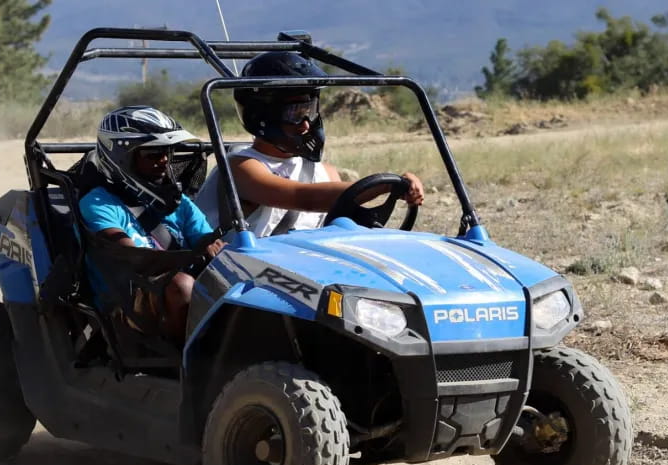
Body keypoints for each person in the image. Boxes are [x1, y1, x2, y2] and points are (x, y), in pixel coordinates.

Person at [195, 51, 424, 237]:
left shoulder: (325, 173)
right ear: (262, 115)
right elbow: (303, 197)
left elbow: (342, 222)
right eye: (294, 113)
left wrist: (401, 185)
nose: (306, 124)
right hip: (239, 272)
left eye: (310, 110)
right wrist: (385, 185)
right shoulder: (240, 168)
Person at [80, 106, 224, 343]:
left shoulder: (176, 201)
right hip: (126, 299)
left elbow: (210, 243)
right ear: (121, 158)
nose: (164, 160)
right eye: (153, 153)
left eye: (167, 151)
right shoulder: (97, 203)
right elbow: (133, 256)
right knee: (181, 285)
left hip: (175, 290)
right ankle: (187, 360)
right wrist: (192, 257)